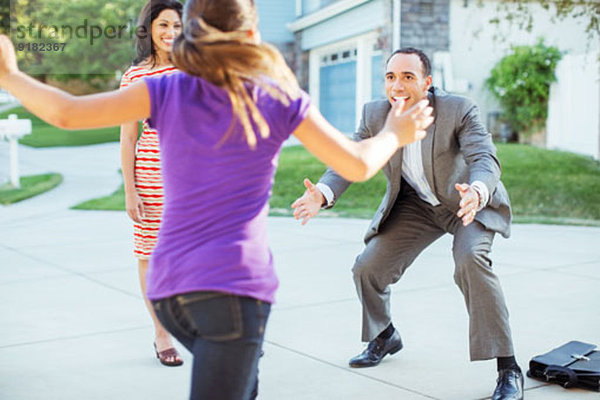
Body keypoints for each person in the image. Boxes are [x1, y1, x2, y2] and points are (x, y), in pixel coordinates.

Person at [0, 1, 433, 397]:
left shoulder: (165, 90)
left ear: (190, 32)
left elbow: (67, 113)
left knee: (244, 386)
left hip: (169, 291)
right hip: (230, 293)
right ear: (251, 35)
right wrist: (395, 132)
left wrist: (11, 76)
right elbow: (357, 164)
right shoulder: (276, 97)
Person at [292, 47, 523, 400]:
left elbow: (485, 158)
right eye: (390, 77)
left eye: (408, 77)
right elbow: (349, 159)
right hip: (416, 205)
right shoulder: (375, 114)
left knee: (470, 261)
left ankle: (508, 367)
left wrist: (477, 191)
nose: (397, 85)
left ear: (428, 82)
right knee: (366, 268)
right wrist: (321, 194)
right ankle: (384, 335)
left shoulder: (458, 110)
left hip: (465, 203)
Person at [119, 0, 183, 367]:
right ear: (149, 29)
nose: (170, 33)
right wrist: (130, 189)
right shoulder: (135, 77)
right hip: (151, 179)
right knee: (150, 258)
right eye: (163, 25)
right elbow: (128, 138)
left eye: (176, 25)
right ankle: (162, 333)